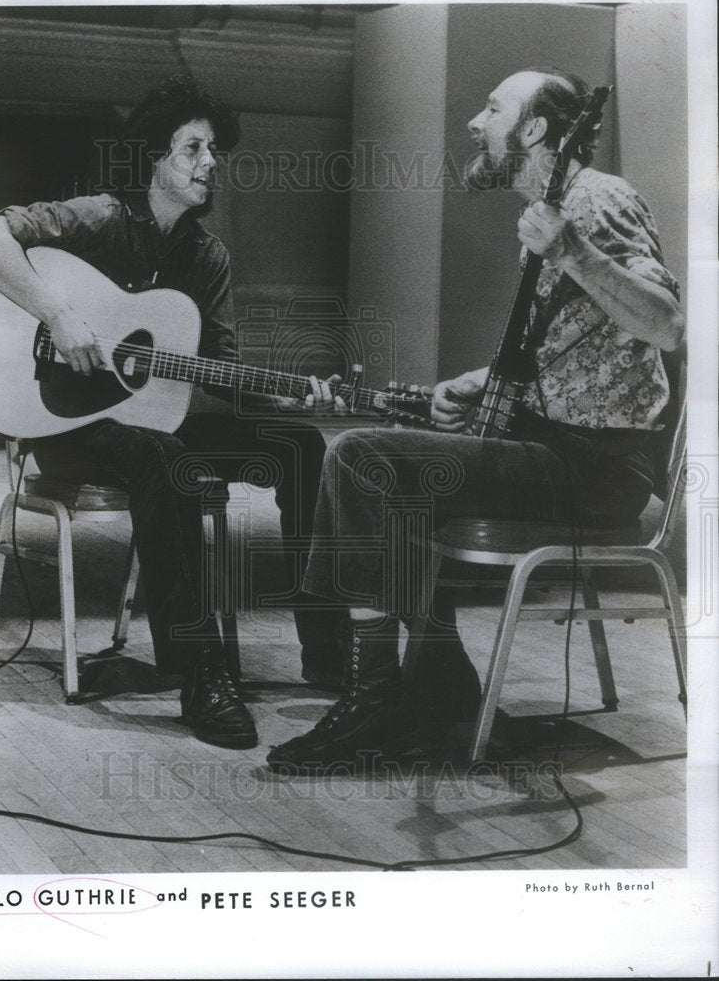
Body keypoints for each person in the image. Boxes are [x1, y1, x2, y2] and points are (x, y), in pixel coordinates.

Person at [267, 68, 684, 773]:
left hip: (594, 471)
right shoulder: (549, 215)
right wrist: (478, 382)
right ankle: (437, 690)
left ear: (533, 130)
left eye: (492, 108)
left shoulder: (595, 199)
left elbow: (667, 325)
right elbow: (573, 352)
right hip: (555, 448)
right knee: (391, 481)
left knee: (360, 457)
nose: (473, 121)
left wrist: (571, 252)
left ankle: (374, 695)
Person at [0, 74, 349, 751]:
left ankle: (326, 648)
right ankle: (202, 673)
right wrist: (60, 315)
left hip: (152, 422)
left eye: (213, 152)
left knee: (296, 444)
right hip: (65, 424)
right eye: (193, 148)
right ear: (155, 161)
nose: (209, 163)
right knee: (164, 458)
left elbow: (222, 372)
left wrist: (282, 395)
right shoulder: (98, 217)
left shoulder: (205, 257)